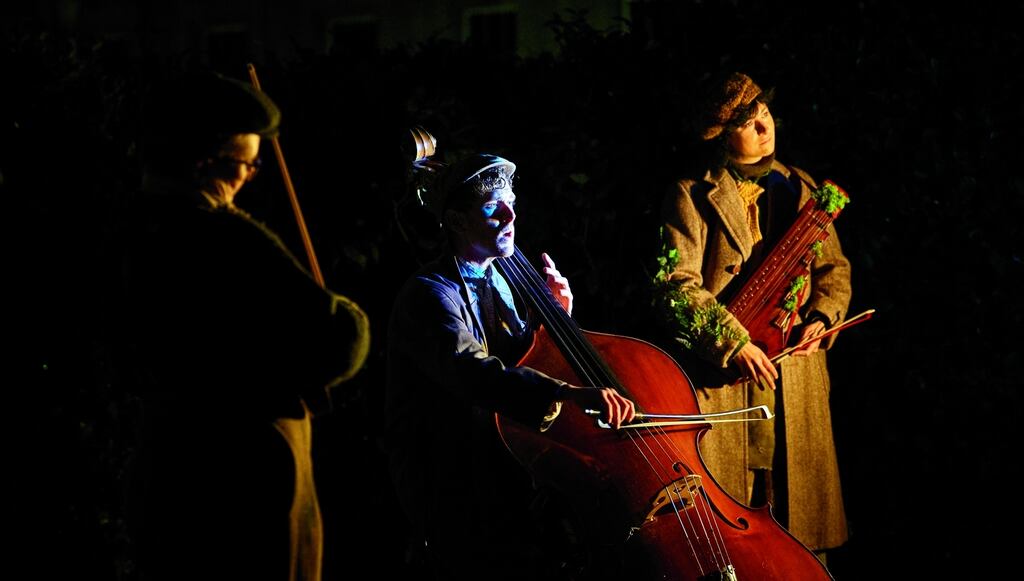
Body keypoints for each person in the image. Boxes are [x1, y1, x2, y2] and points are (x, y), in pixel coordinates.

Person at [120, 72, 370, 581]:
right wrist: (349, 315)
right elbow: (338, 341)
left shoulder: (121, 227)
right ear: (202, 162)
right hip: (247, 471)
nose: (249, 177)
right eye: (244, 165)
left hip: (163, 465)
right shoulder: (223, 236)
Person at [384, 153, 635, 580]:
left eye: (511, 202)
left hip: (505, 465)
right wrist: (565, 392)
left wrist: (552, 317)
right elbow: (473, 371)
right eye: (491, 207)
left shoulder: (500, 276)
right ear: (458, 222)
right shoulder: (428, 294)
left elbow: (517, 355)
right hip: (455, 478)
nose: (509, 215)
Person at [654, 72, 852, 560]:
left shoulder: (803, 189)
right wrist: (731, 342)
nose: (763, 126)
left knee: (801, 519)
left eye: (762, 111)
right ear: (721, 135)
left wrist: (823, 318)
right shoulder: (691, 194)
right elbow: (675, 286)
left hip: (796, 380)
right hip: (729, 382)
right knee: (736, 524)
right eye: (746, 121)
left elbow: (834, 271)